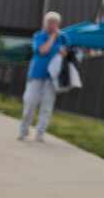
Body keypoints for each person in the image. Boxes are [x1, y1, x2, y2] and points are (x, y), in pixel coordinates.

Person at [19, 10, 68, 142]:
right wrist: (52, 37)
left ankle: (40, 133)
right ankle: (23, 130)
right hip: (36, 75)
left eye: (55, 22)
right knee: (30, 103)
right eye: (50, 22)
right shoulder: (39, 36)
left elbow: (67, 54)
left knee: (47, 106)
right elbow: (42, 50)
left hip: (52, 78)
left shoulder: (63, 37)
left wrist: (64, 52)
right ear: (45, 23)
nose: (52, 25)